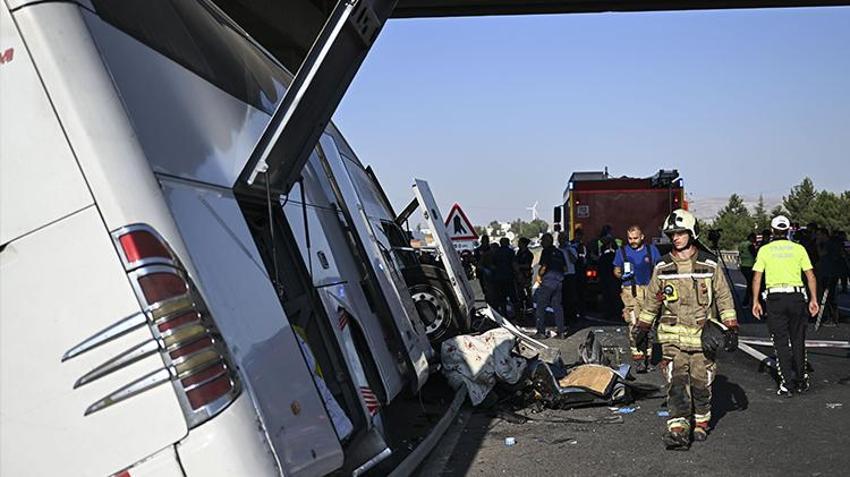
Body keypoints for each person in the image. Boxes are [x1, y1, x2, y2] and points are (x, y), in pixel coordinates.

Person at [635, 209, 738, 450]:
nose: (676, 238)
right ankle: (678, 428)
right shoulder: (662, 267)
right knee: (677, 383)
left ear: (691, 233)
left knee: (701, 382)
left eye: (680, 233)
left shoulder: (709, 264)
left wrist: (731, 328)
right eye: (672, 234)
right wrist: (642, 328)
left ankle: (701, 420)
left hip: (703, 339)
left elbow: (723, 297)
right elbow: (652, 300)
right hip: (672, 339)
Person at [751, 215, 819, 396]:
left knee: (780, 341)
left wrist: (755, 300)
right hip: (797, 297)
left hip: (775, 299)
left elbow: (757, 276)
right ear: (789, 230)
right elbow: (810, 275)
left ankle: (786, 384)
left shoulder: (765, 250)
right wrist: (813, 299)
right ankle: (802, 380)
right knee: (798, 339)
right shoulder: (799, 249)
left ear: (773, 231)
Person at [613, 225, 662, 373]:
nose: (632, 241)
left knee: (649, 325)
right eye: (629, 238)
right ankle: (639, 358)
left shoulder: (651, 251)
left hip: (649, 290)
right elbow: (616, 270)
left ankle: (648, 356)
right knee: (634, 325)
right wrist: (621, 276)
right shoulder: (622, 252)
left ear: (642, 237)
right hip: (630, 291)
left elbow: (660, 268)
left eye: (635, 238)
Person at [533, 233, 566, 339]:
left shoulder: (546, 252)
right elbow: (565, 268)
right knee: (557, 307)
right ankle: (561, 332)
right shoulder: (559, 253)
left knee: (541, 307)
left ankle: (541, 332)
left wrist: (539, 275)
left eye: (543, 241)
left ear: (548, 241)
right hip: (558, 282)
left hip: (548, 282)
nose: (541, 243)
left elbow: (544, 267)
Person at [490, 237, 518, 318]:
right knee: (513, 297)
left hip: (498, 279)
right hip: (509, 278)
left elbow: (492, 266)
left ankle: (504, 315)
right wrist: (518, 274)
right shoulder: (510, 252)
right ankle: (517, 315)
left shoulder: (496, 253)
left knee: (502, 298)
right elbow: (514, 264)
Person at [559, 232, 579, 326]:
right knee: (563, 298)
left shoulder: (571, 249)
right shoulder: (558, 250)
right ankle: (565, 317)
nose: (561, 240)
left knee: (571, 297)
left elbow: (574, 260)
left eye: (563, 238)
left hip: (570, 274)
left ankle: (573, 316)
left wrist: (567, 250)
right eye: (560, 238)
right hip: (561, 275)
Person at [514, 237, 534, 316]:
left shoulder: (528, 254)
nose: (518, 244)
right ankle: (522, 309)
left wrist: (518, 266)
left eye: (519, 242)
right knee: (519, 294)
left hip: (526, 277)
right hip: (518, 277)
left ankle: (529, 310)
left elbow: (527, 265)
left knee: (527, 294)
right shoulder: (518, 252)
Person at [572, 228, 588, 318]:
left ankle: (582, 312)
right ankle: (576, 311)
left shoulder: (583, 246)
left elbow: (585, 258)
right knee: (574, 293)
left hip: (581, 271)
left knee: (581, 293)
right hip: (574, 271)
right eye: (578, 235)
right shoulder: (572, 245)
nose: (579, 237)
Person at [738, 233, 757, 306]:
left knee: (750, 284)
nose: (755, 240)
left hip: (743, 265)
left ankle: (750, 301)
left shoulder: (742, 244)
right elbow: (754, 255)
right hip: (750, 266)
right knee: (750, 285)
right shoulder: (750, 245)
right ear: (751, 238)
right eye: (754, 238)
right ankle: (746, 302)